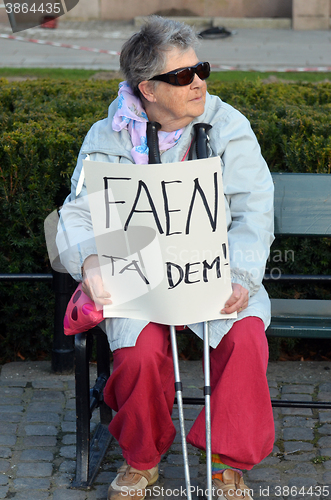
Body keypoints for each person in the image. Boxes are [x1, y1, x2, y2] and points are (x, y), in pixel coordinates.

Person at [56, 16, 275, 500]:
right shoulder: (107, 136)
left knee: (244, 340)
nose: (197, 81)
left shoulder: (227, 125)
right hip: (141, 282)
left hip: (214, 273)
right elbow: (78, 213)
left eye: (201, 69)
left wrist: (240, 275)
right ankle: (143, 460)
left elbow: (254, 209)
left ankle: (226, 465)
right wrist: (90, 262)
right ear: (148, 89)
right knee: (137, 355)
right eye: (181, 76)